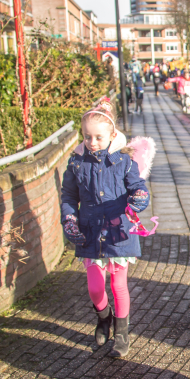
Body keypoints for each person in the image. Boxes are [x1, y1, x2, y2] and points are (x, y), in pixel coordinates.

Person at [60, 98, 155, 358]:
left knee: (119, 286)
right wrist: (69, 219)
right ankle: (104, 317)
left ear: (112, 135)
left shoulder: (124, 161)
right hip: (90, 232)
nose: (92, 142)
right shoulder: (76, 163)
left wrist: (139, 198)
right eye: (87, 137)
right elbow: (69, 195)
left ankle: (122, 333)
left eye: (99, 137)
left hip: (118, 231)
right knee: (95, 288)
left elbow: (137, 186)